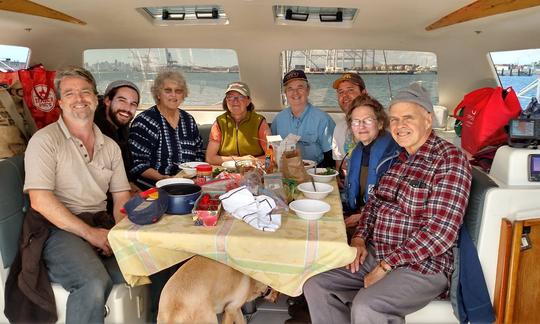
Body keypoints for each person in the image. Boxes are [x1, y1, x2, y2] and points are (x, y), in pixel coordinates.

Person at [303, 83, 472, 324]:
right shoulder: (401, 159)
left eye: (407, 118)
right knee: (316, 284)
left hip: (423, 265)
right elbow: (374, 205)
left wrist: (386, 265)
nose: (399, 126)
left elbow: (440, 232)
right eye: (394, 119)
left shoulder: (448, 160)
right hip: (378, 251)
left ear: (428, 118)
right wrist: (360, 238)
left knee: (368, 306)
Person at [6, 67, 131, 324]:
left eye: (85, 92)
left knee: (143, 265)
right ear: (60, 102)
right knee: (93, 281)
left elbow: (121, 198)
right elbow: (40, 200)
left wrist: (118, 235)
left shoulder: (110, 146)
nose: (79, 98)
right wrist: (91, 234)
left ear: (96, 99)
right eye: (70, 93)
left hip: (99, 221)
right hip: (54, 227)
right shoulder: (45, 140)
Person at [129, 69, 204, 188]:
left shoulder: (188, 120)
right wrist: (162, 178)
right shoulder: (144, 121)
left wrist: (194, 175)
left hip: (187, 183)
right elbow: (137, 164)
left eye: (178, 91)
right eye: (168, 90)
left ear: (183, 95)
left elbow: (199, 152)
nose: (173, 95)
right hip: (154, 186)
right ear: (158, 94)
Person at [342, 94, 400, 232]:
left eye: (367, 120)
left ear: (380, 123)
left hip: (380, 227)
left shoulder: (394, 155)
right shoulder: (357, 152)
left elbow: (398, 206)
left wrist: (362, 217)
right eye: (355, 121)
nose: (361, 126)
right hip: (356, 216)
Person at [271, 70, 335, 167]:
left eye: (300, 87)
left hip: (315, 171)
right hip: (286, 172)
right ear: (285, 93)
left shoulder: (323, 119)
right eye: (290, 89)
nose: (295, 93)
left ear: (308, 90)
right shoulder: (278, 120)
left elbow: (331, 157)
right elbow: (272, 150)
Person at [205, 81, 271, 165]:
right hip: (226, 172)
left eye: (240, 97)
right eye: (230, 97)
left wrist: (250, 162)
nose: (235, 101)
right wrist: (240, 160)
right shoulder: (219, 123)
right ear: (226, 101)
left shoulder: (259, 122)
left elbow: (271, 157)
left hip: (254, 171)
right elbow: (210, 158)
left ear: (248, 101)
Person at [94, 80, 140, 178]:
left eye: (133, 104)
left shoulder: (123, 130)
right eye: (122, 100)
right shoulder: (93, 133)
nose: (127, 108)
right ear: (107, 101)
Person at [331, 73, 367, 173]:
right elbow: (339, 167)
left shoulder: (375, 125)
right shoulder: (339, 127)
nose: (345, 96)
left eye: (350, 90)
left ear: (364, 93)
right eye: (340, 92)